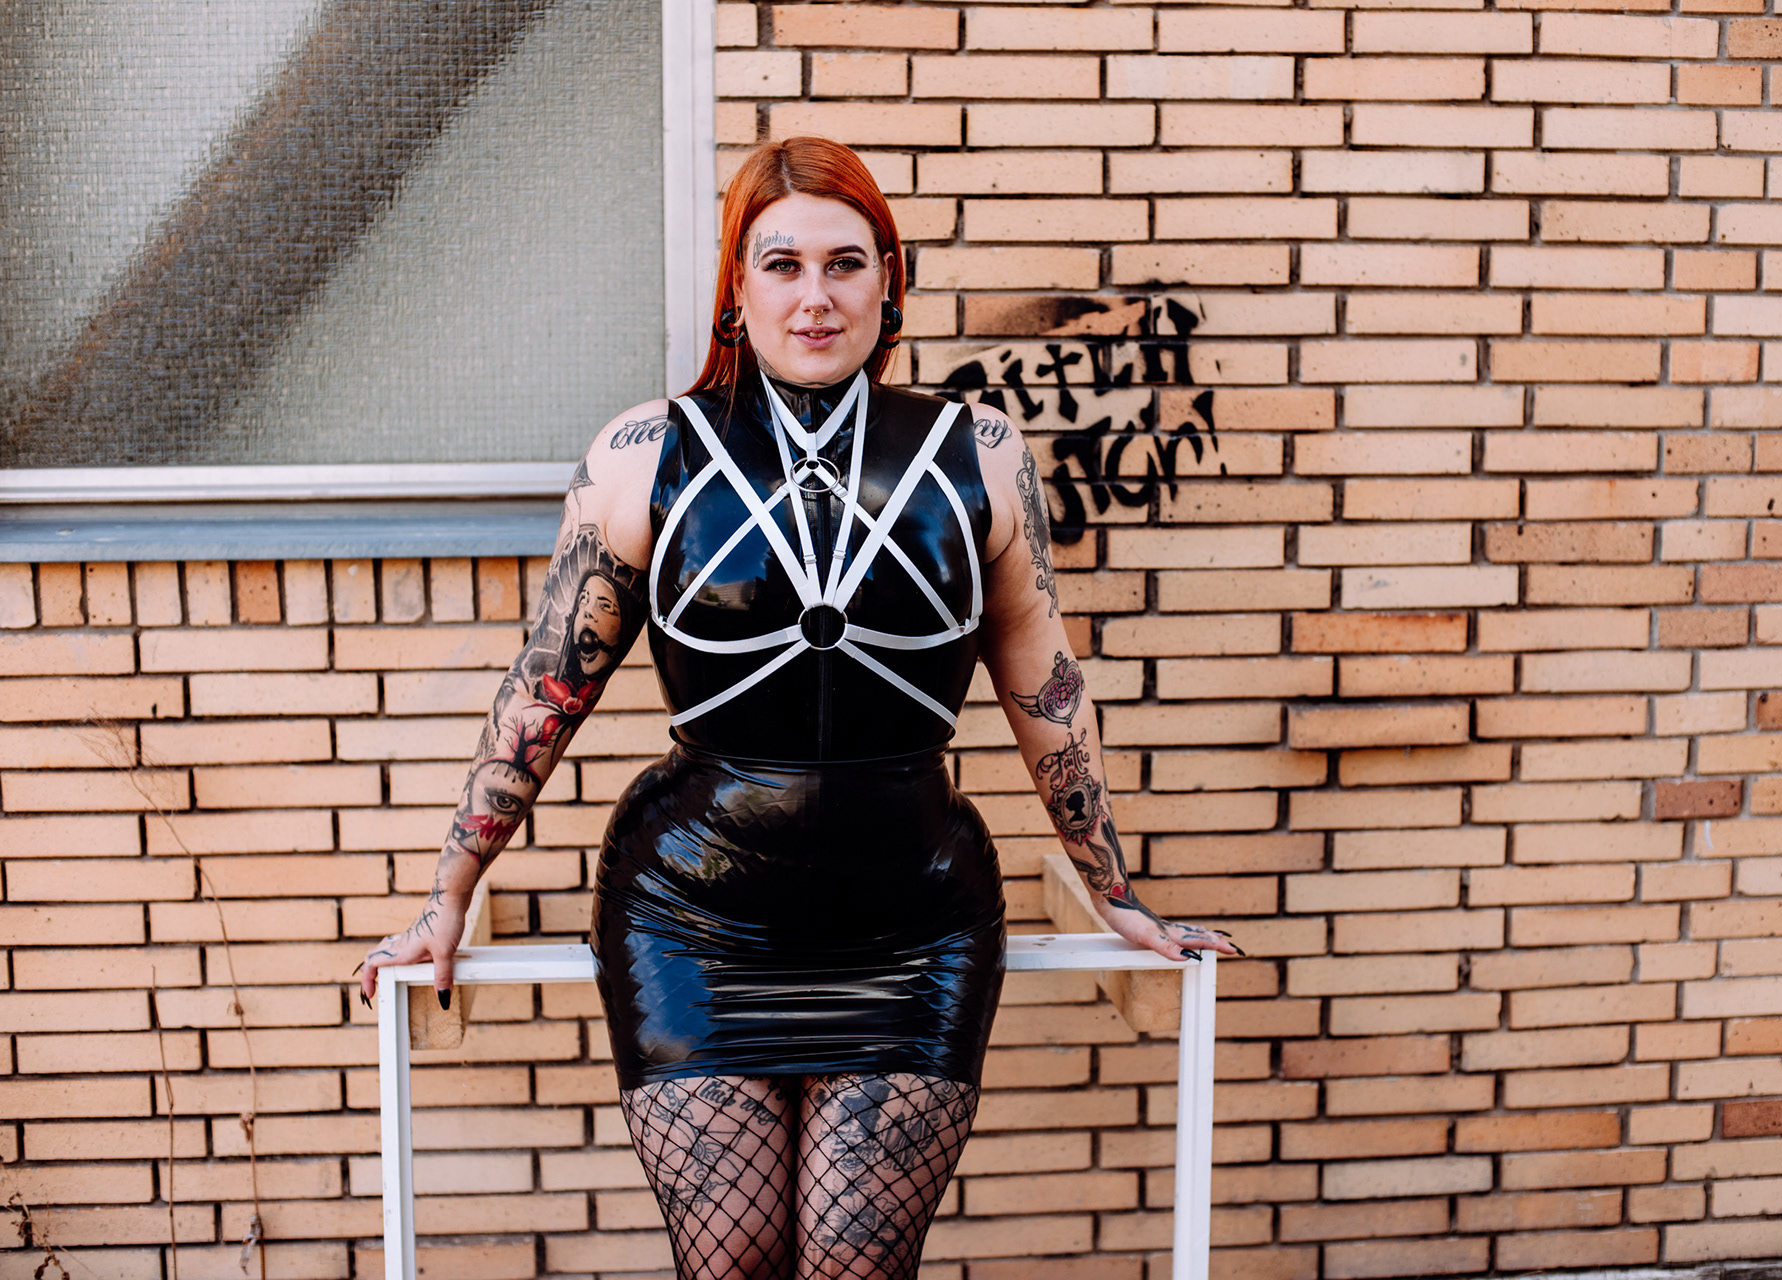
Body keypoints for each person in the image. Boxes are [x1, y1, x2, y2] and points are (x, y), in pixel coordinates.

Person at [358, 135, 1239, 1280]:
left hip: (913, 924)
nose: (815, 297)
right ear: (738, 287)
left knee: (851, 1265)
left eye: (845, 263)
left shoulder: (980, 454)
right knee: (729, 1261)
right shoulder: (644, 455)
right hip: (692, 916)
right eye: (782, 264)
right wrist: (449, 892)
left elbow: (1047, 688)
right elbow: (548, 684)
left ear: (889, 279)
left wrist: (1114, 888)